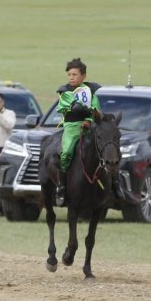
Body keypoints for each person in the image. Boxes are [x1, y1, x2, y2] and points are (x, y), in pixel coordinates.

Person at [55, 58, 100, 207]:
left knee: (106, 148)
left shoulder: (91, 91)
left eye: (74, 74)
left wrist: (89, 120)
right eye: (69, 75)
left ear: (83, 76)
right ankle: (61, 185)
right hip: (72, 126)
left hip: (91, 126)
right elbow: (74, 107)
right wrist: (83, 113)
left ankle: (114, 184)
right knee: (66, 151)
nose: (71, 77)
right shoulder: (65, 92)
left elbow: (95, 108)